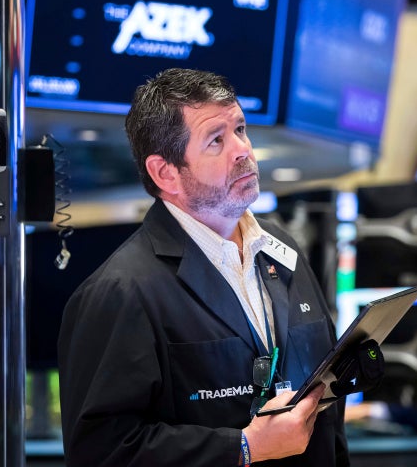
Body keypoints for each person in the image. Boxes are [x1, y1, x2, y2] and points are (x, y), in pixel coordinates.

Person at [58, 68, 350, 466]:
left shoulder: (284, 248)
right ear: (166, 173)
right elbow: (103, 452)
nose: (242, 150)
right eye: (216, 140)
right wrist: (244, 449)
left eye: (241, 129)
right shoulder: (121, 290)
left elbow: (328, 417)